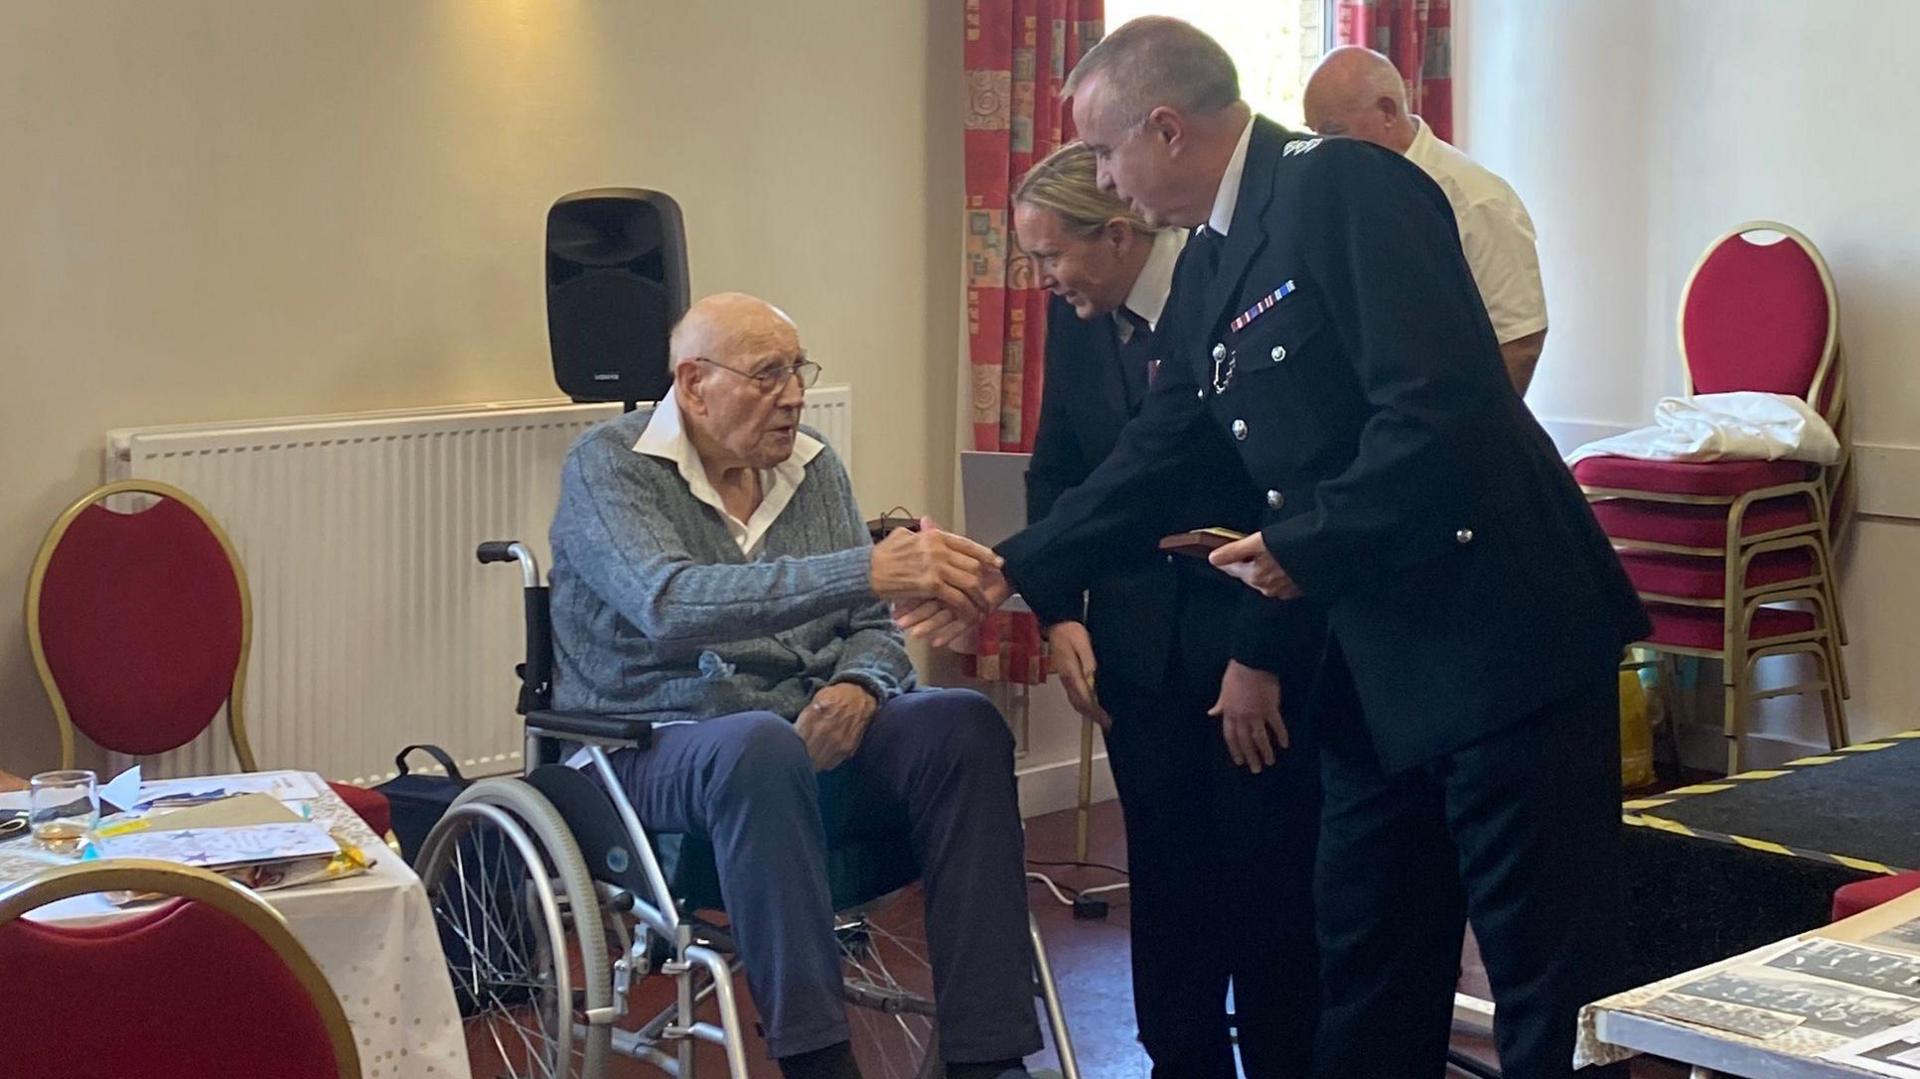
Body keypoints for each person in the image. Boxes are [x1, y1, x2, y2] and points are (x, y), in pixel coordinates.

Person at [904, 17, 1650, 1079]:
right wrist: (1012, 566)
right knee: (1369, 964)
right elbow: (1162, 449)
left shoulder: (1342, 184)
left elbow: (1443, 408)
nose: (1107, 182)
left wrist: (1303, 541)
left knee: (1546, 980)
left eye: (1107, 154)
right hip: (1378, 666)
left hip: (1501, 642)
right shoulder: (1218, 252)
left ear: (1164, 128)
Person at [548, 292, 1041, 1079]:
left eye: (799, 371)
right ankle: (817, 1059)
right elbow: (667, 603)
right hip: (650, 741)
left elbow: (873, 626)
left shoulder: (813, 466)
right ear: (694, 381)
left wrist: (861, 687)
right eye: (768, 374)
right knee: (757, 744)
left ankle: (989, 1055)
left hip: (805, 733)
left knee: (961, 725)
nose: (795, 395)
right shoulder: (610, 466)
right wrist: (866, 566)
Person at [1014, 141, 1320, 1077]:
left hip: (1253, 651)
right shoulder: (1082, 320)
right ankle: (1179, 1058)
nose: (1043, 279)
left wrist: (1259, 656)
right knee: (1171, 880)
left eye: (1050, 256)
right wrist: (1059, 609)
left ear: (1114, 234)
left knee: (1271, 885)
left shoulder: (1232, 293)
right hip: (1136, 649)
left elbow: (1294, 489)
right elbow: (1060, 470)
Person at [1304, 45, 1550, 395]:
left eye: (1332, 132)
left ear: (1387, 112)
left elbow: (1519, 342)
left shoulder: (1475, 198)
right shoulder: (1342, 192)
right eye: (1313, 135)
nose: (1320, 148)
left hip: (1450, 429)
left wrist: (1468, 438)